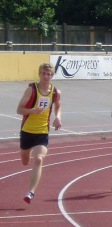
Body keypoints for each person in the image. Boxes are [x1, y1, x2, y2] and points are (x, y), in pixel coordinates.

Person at [17, 63, 62, 203]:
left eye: (49, 74)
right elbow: (19, 110)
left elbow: (58, 107)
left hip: (42, 132)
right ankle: (27, 153)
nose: (46, 76)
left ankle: (31, 192)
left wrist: (58, 117)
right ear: (39, 74)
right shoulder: (31, 90)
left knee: (38, 159)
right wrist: (32, 111)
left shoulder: (55, 92)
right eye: (43, 73)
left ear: (52, 76)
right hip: (27, 131)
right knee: (25, 162)